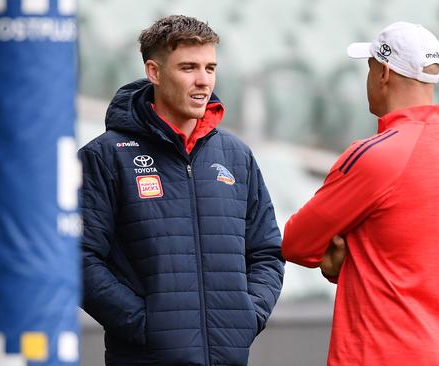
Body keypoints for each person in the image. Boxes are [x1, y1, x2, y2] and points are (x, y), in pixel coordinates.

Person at [79, 15, 285, 366]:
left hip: (228, 355)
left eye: (210, 68)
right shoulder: (105, 156)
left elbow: (266, 251)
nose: (203, 81)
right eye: (188, 68)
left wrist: (246, 316)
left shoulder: (236, 156)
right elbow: (77, 257)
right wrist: (145, 324)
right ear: (154, 72)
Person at [282, 22, 439, 366]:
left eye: (369, 68)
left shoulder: (373, 154)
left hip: (377, 355)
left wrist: (341, 253)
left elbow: (296, 242)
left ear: (384, 74)